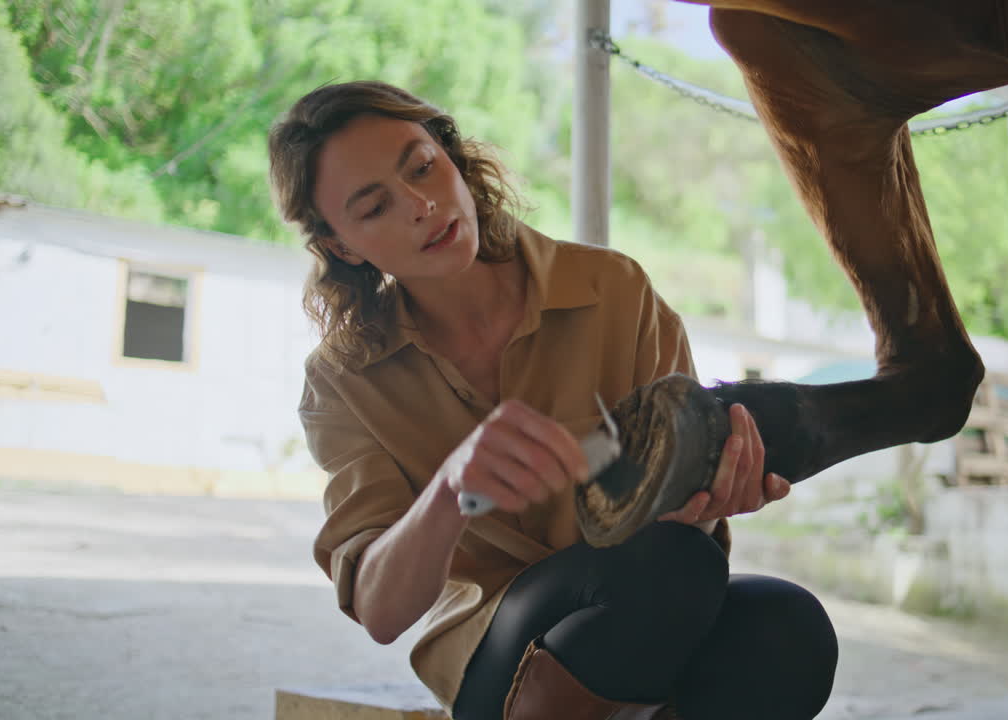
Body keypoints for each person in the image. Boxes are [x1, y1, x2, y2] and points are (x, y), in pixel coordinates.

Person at [268, 80, 838, 720]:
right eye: (375, 208)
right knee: (668, 568)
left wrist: (713, 492)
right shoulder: (343, 378)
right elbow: (380, 611)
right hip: (497, 646)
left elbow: (678, 519)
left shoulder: (611, 287)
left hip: (654, 598)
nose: (422, 205)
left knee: (786, 624)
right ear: (343, 246)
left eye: (423, 167)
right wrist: (450, 491)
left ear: (451, 156)